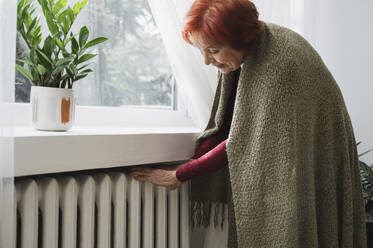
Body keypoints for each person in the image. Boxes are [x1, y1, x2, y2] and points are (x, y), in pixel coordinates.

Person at [129, 0, 367, 247]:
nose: (206, 62)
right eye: (201, 51)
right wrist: (193, 161)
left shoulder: (279, 65)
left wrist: (181, 174)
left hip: (318, 156)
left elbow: (243, 140)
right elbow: (229, 124)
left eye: (213, 50)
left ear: (239, 39)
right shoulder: (251, 50)